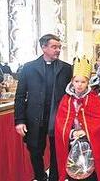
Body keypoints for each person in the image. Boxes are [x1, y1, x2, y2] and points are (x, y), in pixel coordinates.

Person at [14, 34, 72, 181]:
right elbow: (20, 96)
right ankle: (40, 177)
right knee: (35, 150)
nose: (58, 50)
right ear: (43, 47)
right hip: (35, 117)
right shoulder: (29, 68)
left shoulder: (66, 68)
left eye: (59, 47)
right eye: (54, 47)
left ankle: (54, 178)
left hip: (57, 117)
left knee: (57, 151)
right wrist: (19, 120)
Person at [55, 57, 100, 181]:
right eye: (77, 81)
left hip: (90, 144)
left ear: (88, 83)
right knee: (74, 174)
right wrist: (72, 132)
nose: (79, 85)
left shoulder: (93, 98)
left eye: (83, 82)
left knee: (90, 174)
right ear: (72, 81)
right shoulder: (66, 99)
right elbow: (60, 122)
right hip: (72, 142)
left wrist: (86, 131)